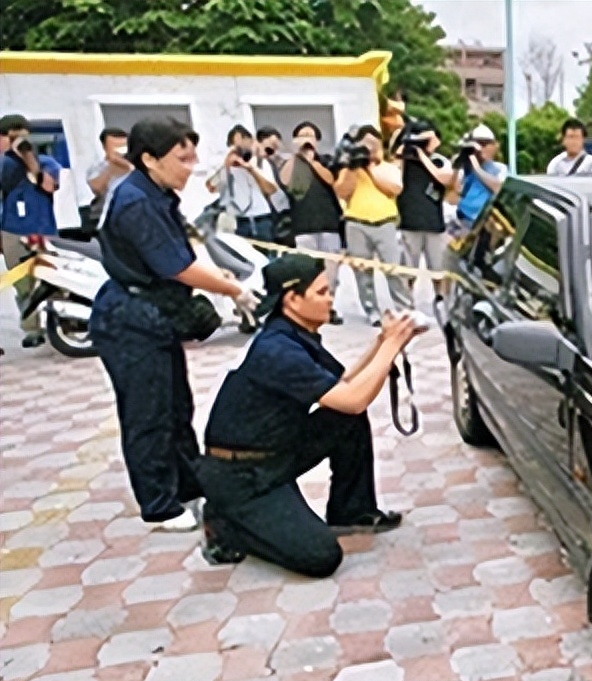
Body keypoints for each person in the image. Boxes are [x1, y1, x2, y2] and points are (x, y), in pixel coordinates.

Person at [197, 253, 416, 576]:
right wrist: (390, 347)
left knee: (343, 419)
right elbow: (354, 398)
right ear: (292, 300)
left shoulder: (294, 335)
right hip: (243, 475)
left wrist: (383, 342)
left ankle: (352, 510)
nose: (331, 299)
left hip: (277, 449)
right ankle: (226, 524)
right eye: (322, 292)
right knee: (321, 556)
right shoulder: (278, 350)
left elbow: (344, 387)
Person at [90, 116, 261, 531]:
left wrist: (225, 281)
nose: (191, 166)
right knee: (148, 413)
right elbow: (178, 267)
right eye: (182, 158)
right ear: (150, 158)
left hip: (156, 315)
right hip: (130, 318)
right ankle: (159, 504)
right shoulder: (136, 202)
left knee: (175, 406)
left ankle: (188, 486)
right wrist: (231, 289)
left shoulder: (156, 193)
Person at [334, 125, 406, 327]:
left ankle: (403, 308)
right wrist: (353, 167)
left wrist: (371, 168)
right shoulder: (350, 169)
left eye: (374, 144)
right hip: (356, 222)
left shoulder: (388, 167)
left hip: (385, 222)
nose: (370, 149)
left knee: (394, 269)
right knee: (362, 271)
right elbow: (341, 192)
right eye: (365, 145)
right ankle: (371, 310)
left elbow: (394, 189)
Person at [1, 114, 63, 348]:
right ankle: (32, 328)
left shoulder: (45, 161)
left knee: (54, 278)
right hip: (12, 230)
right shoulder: (4, 164)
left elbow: (48, 185)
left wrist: (28, 157)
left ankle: (64, 323)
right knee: (22, 283)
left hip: (43, 229)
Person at [280, 121, 345, 324]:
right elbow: (284, 181)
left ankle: (330, 306)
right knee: (307, 270)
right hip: (303, 226)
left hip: (328, 223)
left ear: (317, 140)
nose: (306, 139)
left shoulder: (326, 160)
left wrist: (312, 161)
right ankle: (309, 308)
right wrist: (295, 155)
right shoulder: (292, 164)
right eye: (302, 135)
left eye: (310, 135)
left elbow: (331, 181)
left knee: (331, 272)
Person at [397, 119, 457, 307]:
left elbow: (445, 179)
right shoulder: (404, 161)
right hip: (409, 221)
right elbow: (394, 165)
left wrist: (423, 156)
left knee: (437, 267)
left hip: (434, 222)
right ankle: (407, 301)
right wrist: (407, 146)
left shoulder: (439, 160)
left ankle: (440, 299)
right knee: (409, 268)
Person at [207, 125, 280, 242]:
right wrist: (225, 166)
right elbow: (211, 187)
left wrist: (251, 169)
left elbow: (271, 190)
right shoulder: (224, 165)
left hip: (262, 218)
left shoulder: (260, 162)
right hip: (239, 221)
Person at [452, 125, 508, 241]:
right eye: (477, 145)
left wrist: (477, 168)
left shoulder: (499, 168)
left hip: (486, 223)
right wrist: (458, 164)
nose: (480, 149)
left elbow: (498, 188)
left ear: (494, 146)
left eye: (484, 144)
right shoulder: (465, 168)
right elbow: (454, 192)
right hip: (465, 220)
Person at [87, 127, 133, 231]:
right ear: (105, 147)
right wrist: (112, 167)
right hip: (101, 216)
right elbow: (97, 188)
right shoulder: (98, 167)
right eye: (115, 147)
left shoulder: (133, 165)